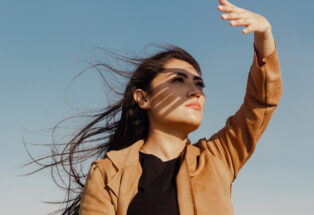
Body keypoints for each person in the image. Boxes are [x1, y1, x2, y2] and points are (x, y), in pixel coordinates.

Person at [27, 0, 281, 214]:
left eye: (199, 84)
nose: (195, 91)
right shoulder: (108, 172)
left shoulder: (218, 158)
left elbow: (260, 104)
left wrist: (264, 37)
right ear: (143, 98)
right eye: (178, 80)